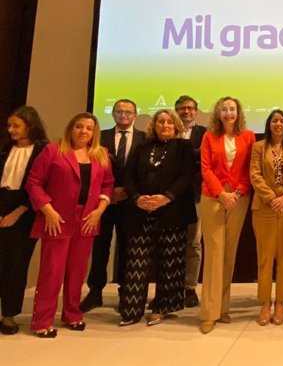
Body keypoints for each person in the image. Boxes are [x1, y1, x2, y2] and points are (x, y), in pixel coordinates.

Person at [26, 113, 114, 338]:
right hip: (57, 218)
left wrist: (99, 210)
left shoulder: (100, 154)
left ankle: (72, 314)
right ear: (70, 128)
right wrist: (48, 210)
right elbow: (34, 182)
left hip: (87, 219)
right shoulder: (53, 151)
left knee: (77, 272)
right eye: (79, 127)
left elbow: (107, 184)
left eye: (88, 128)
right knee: (52, 272)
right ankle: (42, 321)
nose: (83, 131)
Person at [119, 109, 196, 326]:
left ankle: (162, 308)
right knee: (136, 262)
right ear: (154, 125)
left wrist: (166, 197)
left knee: (170, 263)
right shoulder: (142, 147)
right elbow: (130, 176)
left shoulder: (184, 147)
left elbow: (186, 176)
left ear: (176, 126)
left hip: (172, 211)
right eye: (161, 122)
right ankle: (131, 311)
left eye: (170, 122)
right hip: (140, 211)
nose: (165, 125)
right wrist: (137, 198)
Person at [81, 99, 145, 313]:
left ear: (135, 114)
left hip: (131, 201)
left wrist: (126, 191)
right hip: (102, 201)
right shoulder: (100, 137)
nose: (123, 115)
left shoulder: (144, 139)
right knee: (100, 247)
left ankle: (126, 291)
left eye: (128, 111)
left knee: (129, 247)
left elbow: (143, 172)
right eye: (119, 111)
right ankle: (95, 292)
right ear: (113, 113)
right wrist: (109, 192)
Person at [198, 97, 255, 334]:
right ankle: (208, 313)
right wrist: (221, 193)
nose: (228, 113)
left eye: (232, 109)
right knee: (214, 252)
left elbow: (249, 168)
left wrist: (238, 192)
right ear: (218, 113)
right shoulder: (209, 137)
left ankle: (223, 308)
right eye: (224, 109)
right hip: (213, 196)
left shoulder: (249, 136)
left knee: (228, 253)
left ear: (238, 112)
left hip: (239, 198)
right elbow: (205, 168)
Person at [250, 109, 283, 326]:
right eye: (274, 121)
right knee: (265, 257)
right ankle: (265, 302)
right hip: (264, 208)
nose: (278, 124)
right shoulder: (258, 147)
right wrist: (272, 198)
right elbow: (255, 174)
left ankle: (280, 302)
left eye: (282, 121)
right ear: (269, 124)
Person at [0, 106, 47, 335]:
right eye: (9, 125)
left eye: (16, 126)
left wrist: (18, 212)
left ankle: (8, 314)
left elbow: (42, 184)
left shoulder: (43, 150)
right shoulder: (5, 148)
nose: (11, 130)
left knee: (15, 264)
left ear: (30, 125)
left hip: (26, 210)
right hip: (2, 204)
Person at [175, 95, 207, 308]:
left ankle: (189, 287)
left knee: (193, 243)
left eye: (190, 108)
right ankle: (171, 287)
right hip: (168, 195)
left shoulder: (205, 133)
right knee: (170, 242)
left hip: (195, 193)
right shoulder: (168, 129)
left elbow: (204, 158)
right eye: (182, 108)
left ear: (196, 111)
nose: (186, 112)